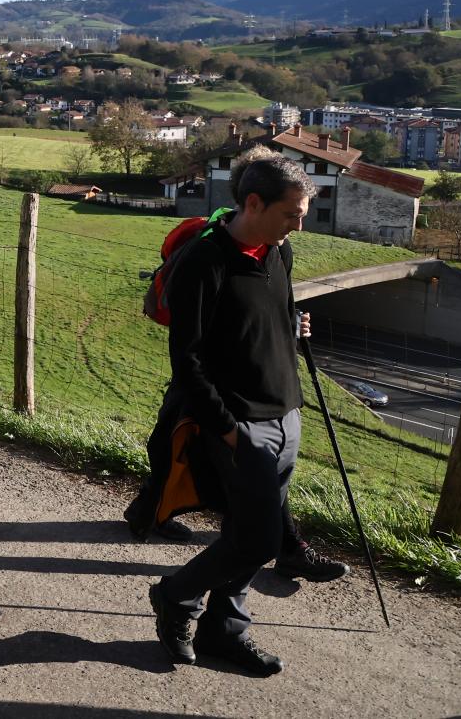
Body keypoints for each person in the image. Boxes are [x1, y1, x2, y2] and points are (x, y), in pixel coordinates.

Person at [149, 156, 318, 678]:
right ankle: (175, 597)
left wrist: (294, 326)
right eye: (292, 213)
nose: (300, 224)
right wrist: (225, 427)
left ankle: (225, 630)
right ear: (253, 203)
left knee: (247, 530)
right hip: (240, 423)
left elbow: (264, 320)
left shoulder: (279, 252)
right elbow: (189, 358)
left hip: (285, 413)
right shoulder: (204, 262)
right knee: (259, 540)